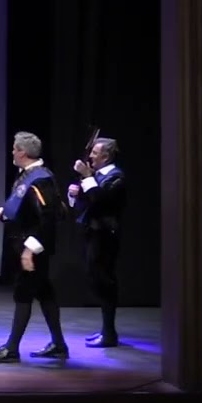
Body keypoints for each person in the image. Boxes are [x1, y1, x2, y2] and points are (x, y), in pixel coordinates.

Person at [0, 131, 68, 362]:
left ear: (22, 152)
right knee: (44, 291)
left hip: (34, 248)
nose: (12, 152)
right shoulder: (27, 174)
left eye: (14, 148)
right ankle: (59, 344)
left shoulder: (41, 179)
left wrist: (30, 250)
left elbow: (48, 219)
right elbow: (22, 203)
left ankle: (11, 348)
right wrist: (1, 212)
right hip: (24, 243)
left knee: (23, 293)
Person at [68, 137, 126, 347]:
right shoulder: (97, 176)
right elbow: (85, 203)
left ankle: (109, 333)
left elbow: (100, 200)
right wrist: (75, 194)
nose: (90, 156)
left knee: (105, 281)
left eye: (94, 153)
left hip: (105, 236)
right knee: (96, 280)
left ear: (105, 156)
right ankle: (105, 330)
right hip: (92, 234)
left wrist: (86, 176)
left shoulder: (116, 176)